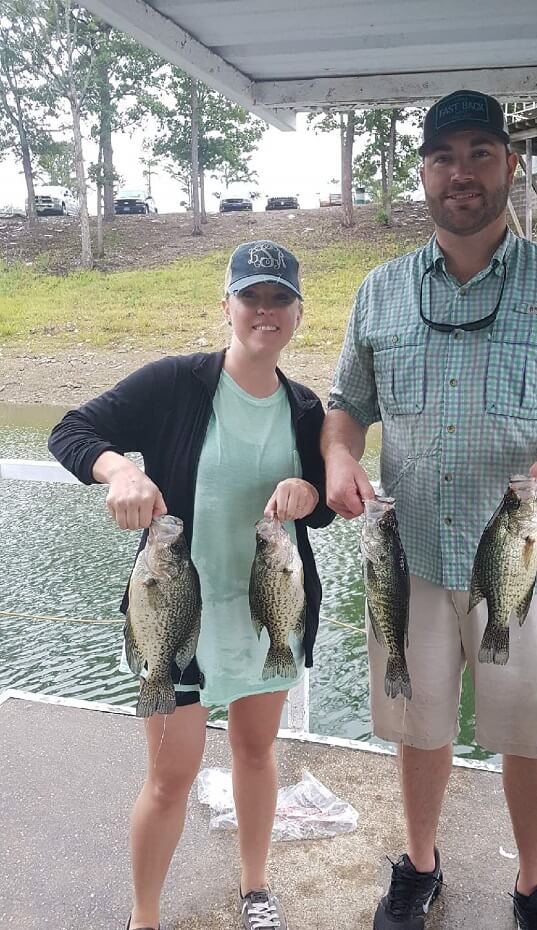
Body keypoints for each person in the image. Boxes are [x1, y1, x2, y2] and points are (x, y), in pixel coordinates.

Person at [322, 90, 537, 930]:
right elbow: (345, 405)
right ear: (422, 174)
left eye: (479, 154)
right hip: (409, 550)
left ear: (507, 165)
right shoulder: (379, 291)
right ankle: (418, 866)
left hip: (528, 560)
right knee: (417, 722)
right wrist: (339, 455)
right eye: (442, 157)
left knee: (530, 734)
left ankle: (533, 884)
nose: (460, 173)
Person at [49, 240, 334, 930]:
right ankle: (144, 916)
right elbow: (73, 430)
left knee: (256, 752)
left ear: (298, 313)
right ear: (227, 306)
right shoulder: (177, 381)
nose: (264, 311)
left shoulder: (303, 406)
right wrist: (119, 472)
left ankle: (256, 890)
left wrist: (305, 490)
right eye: (251, 297)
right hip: (176, 607)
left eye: (278, 299)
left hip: (267, 609)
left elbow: (323, 505)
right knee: (171, 776)